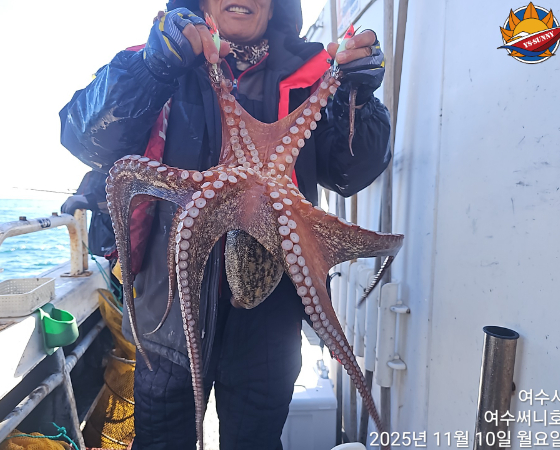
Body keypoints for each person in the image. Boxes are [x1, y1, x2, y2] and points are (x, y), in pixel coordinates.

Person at [59, 0, 391, 448]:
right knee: (160, 439)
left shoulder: (313, 77)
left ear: (275, 9)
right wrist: (155, 66)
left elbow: (352, 172)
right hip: (168, 313)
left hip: (269, 320)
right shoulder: (154, 62)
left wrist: (359, 99)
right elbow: (84, 136)